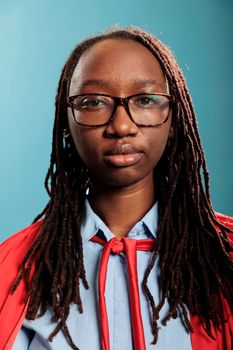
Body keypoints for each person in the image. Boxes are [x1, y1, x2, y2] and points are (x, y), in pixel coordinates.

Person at [0, 26, 232, 350]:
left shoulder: (226, 255)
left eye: (145, 100)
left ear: (173, 117)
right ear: (66, 122)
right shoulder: (12, 266)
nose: (121, 126)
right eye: (93, 101)